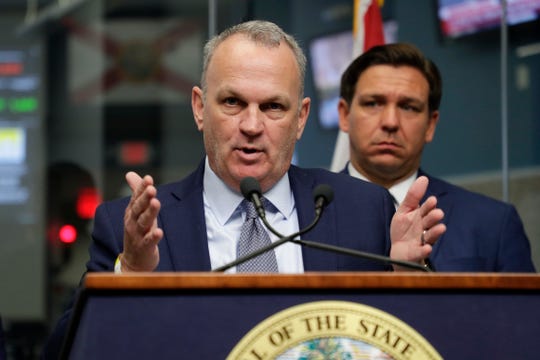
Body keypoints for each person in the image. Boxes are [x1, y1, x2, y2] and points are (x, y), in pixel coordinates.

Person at [42, 21, 445, 358]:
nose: (252, 126)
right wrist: (129, 274)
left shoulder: (361, 208)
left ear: (301, 118)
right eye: (233, 102)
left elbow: (404, 343)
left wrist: (405, 280)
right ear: (200, 108)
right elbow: (64, 352)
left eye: (273, 107)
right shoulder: (129, 225)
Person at [337, 42, 535, 272]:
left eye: (408, 107)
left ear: (431, 124)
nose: (390, 122)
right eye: (373, 103)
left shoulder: (493, 223)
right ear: (344, 115)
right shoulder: (304, 217)